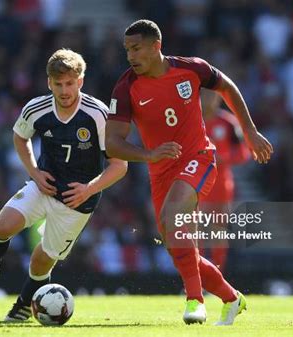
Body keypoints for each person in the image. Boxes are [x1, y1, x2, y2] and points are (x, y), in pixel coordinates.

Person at [105, 20, 273, 325]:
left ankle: (195, 301)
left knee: (176, 220)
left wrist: (248, 130)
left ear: (156, 46)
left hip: (199, 157)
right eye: (127, 49)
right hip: (160, 171)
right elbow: (112, 144)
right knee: (178, 247)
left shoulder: (191, 69)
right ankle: (232, 298)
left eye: (136, 48)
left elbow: (227, 87)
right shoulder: (126, 86)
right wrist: (149, 154)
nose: (130, 55)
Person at [0, 49, 127, 321]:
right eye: (58, 84)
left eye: (70, 83)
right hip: (43, 185)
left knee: (41, 259)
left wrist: (88, 189)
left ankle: (22, 306)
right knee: (2, 226)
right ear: (49, 83)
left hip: (77, 202)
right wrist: (34, 171)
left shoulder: (98, 115)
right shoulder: (36, 108)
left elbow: (119, 165)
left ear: (80, 81)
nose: (64, 90)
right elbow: (20, 137)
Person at [202, 90, 251, 273]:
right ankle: (197, 278)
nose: (209, 100)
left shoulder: (228, 122)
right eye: (205, 95)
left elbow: (243, 153)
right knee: (196, 228)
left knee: (217, 229)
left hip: (221, 183)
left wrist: (224, 157)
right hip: (194, 181)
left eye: (213, 96)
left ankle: (217, 275)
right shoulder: (191, 121)